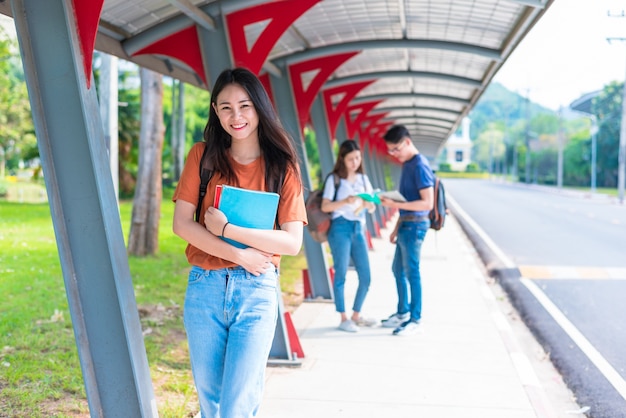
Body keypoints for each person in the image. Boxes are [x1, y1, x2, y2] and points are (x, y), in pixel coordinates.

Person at [172, 67, 307, 417]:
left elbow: (291, 242)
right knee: (211, 402)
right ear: (215, 111)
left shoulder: (282, 167)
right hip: (205, 286)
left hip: (256, 290)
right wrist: (239, 254)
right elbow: (183, 225)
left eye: (245, 106)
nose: (237, 116)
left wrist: (228, 229)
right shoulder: (202, 157)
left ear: (259, 108)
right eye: (226, 107)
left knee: (238, 404)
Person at [379, 125, 434, 336]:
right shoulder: (408, 164)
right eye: (390, 151)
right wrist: (396, 227)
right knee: (398, 270)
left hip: (415, 226)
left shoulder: (419, 165)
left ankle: (415, 317)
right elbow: (408, 200)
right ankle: (402, 312)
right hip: (406, 224)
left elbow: (426, 203)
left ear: (408, 142)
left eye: (396, 149)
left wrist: (395, 205)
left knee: (412, 273)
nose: (394, 154)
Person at [320, 139, 377, 332]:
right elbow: (325, 206)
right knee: (341, 273)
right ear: (342, 159)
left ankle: (356, 315)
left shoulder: (363, 179)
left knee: (366, 276)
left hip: (358, 228)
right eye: (351, 159)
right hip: (340, 228)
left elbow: (372, 206)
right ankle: (343, 317)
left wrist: (368, 203)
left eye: (358, 158)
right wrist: (345, 200)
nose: (355, 162)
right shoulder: (334, 179)